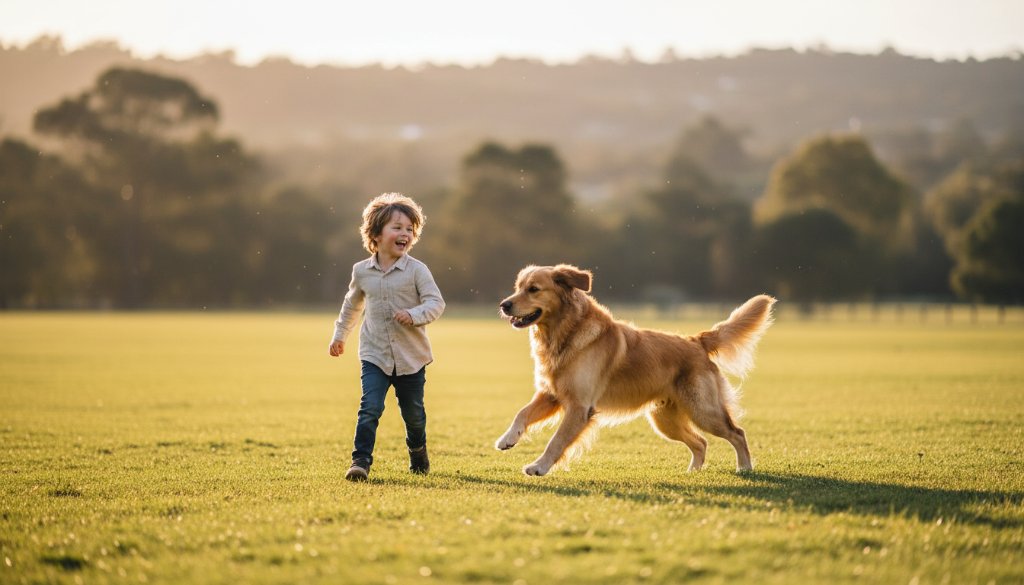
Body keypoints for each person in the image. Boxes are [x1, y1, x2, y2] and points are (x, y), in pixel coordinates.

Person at [328, 193, 445, 481]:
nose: (404, 233)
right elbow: (352, 305)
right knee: (370, 408)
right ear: (376, 234)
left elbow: (436, 303)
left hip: (411, 358)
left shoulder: (417, 270)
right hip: (375, 354)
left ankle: (418, 452)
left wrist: (414, 315)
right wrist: (340, 335)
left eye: (409, 229)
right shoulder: (362, 271)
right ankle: (360, 462)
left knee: (414, 415)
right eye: (397, 227)